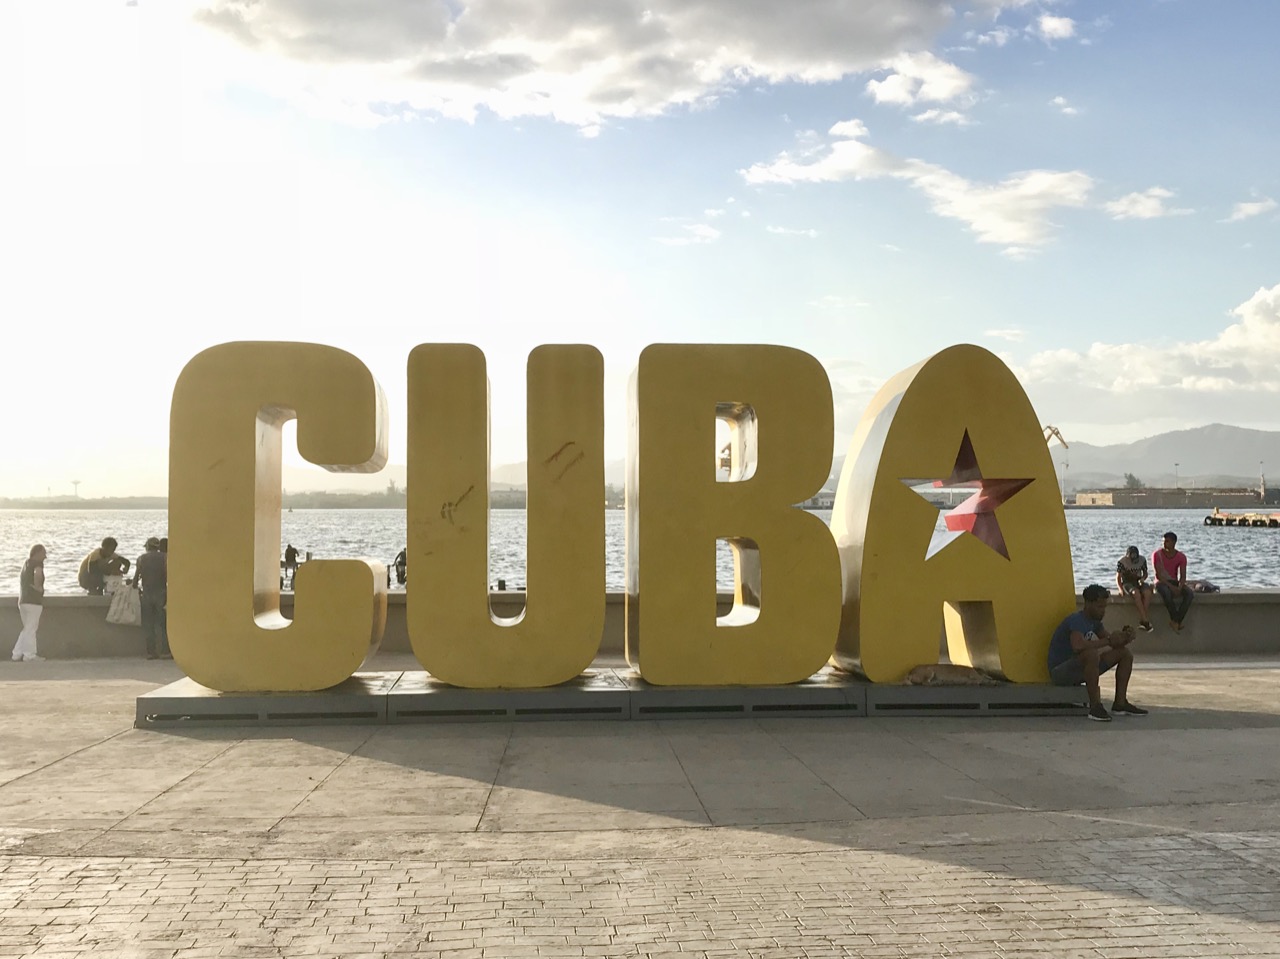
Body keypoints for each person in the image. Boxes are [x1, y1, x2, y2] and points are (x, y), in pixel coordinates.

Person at [1047, 583, 1147, 722]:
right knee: (1091, 654)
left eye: (1104, 607)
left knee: (1124, 654)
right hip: (1061, 672)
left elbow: (1111, 642)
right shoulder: (1077, 620)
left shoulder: (1095, 623)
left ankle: (1120, 703)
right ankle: (1095, 707)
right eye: (1099, 607)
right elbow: (1078, 646)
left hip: (1080, 668)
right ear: (1088, 604)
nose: (1103, 611)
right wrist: (1108, 640)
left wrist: (1125, 638)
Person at [134, 536, 169, 660]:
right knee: (163, 624)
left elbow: (135, 579)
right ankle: (165, 651)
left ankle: (151, 652)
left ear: (148, 547)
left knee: (148, 624)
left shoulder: (141, 559)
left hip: (147, 594)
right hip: (161, 594)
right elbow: (168, 576)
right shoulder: (165, 557)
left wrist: (135, 586)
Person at [11, 545, 47, 662]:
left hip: (23, 601)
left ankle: (16, 653)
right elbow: (38, 573)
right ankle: (29, 655)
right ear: (37, 553)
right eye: (43, 553)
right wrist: (39, 587)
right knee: (31, 628)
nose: (45, 556)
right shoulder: (37, 564)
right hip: (33, 601)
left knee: (27, 628)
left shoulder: (26, 564)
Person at [1152, 531, 1192, 632]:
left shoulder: (1181, 557)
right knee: (1166, 592)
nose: (1164, 544)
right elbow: (1159, 576)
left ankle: (1176, 621)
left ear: (1174, 542)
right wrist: (1172, 587)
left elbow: (1183, 576)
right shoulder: (1157, 555)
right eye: (1163, 541)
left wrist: (1179, 587)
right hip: (1161, 582)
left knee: (1189, 594)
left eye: (1167, 541)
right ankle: (1176, 620)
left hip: (1174, 581)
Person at [1115, 545, 1154, 632]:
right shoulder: (1122, 562)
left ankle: (1143, 619)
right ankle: (1145, 620)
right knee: (1136, 594)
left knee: (1147, 593)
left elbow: (1145, 573)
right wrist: (1120, 589)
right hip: (1127, 582)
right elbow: (1118, 577)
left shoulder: (1142, 560)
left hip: (1139, 581)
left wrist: (1143, 579)